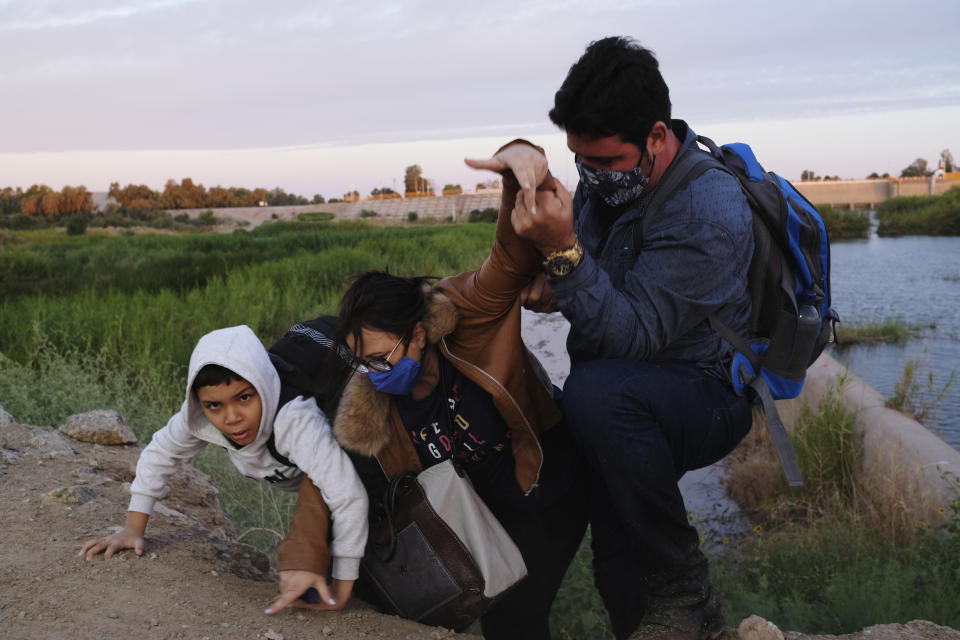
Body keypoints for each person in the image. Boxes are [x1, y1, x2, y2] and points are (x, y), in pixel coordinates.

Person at [466, 36, 755, 640]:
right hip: (621, 398)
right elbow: (591, 281)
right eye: (578, 160)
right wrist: (522, 161)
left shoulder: (708, 208)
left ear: (655, 137)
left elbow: (634, 335)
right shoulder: (608, 184)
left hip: (704, 395)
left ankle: (686, 588)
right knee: (617, 563)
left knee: (595, 394)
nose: (590, 177)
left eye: (604, 162)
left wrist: (563, 253)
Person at [273, 170, 589, 639]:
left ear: (418, 333)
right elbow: (325, 479)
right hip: (485, 521)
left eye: (382, 358)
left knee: (515, 622)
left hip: (551, 486)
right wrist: (302, 560)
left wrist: (516, 178)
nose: (374, 373)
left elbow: (505, 258)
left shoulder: (468, 325)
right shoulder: (372, 407)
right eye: (363, 363)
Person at [79, 324, 369, 613]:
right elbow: (159, 454)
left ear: (264, 386)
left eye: (245, 398)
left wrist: (341, 590)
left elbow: (348, 496)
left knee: (353, 548)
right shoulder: (198, 417)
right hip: (319, 478)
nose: (232, 418)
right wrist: (132, 529)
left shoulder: (295, 421)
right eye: (214, 405)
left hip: (364, 459)